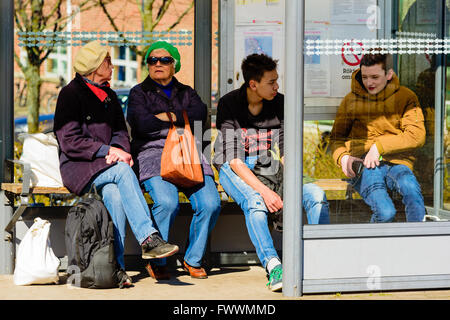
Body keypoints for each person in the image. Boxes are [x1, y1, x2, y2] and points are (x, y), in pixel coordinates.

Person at [53, 40, 179, 287]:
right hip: (80, 167)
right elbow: (69, 140)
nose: (112, 65)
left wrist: (120, 149)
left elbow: (121, 131)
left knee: (116, 196)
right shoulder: (70, 94)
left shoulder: (109, 95)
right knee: (122, 171)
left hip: (109, 166)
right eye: (108, 61)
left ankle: (115, 268)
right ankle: (148, 238)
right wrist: (106, 150)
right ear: (95, 67)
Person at [213, 53, 330, 292]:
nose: (277, 86)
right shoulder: (229, 104)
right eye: (271, 82)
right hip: (235, 166)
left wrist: (291, 183)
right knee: (256, 202)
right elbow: (235, 161)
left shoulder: (280, 103)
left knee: (316, 195)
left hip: (269, 164)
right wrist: (267, 192)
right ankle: (273, 265)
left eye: (277, 80)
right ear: (253, 84)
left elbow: (287, 152)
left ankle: (319, 256)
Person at [126, 41, 221, 280]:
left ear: (174, 65)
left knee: (210, 203)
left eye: (165, 60)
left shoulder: (187, 92)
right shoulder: (139, 92)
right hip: (153, 154)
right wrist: (180, 117)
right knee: (167, 203)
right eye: (152, 60)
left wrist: (166, 116)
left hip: (188, 152)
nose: (158, 64)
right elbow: (141, 124)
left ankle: (193, 258)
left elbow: (200, 115)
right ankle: (159, 259)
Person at [329, 51, 426, 223]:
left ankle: (415, 244)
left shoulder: (406, 97)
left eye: (375, 77)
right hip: (364, 164)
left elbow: (416, 136)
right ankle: (372, 247)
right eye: (365, 77)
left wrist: (379, 147)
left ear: (388, 74)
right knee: (385, 212)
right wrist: (342, 158)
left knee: (415, 200)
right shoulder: (351, 101)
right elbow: (336, 140)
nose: (369, 82)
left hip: (397, 162)